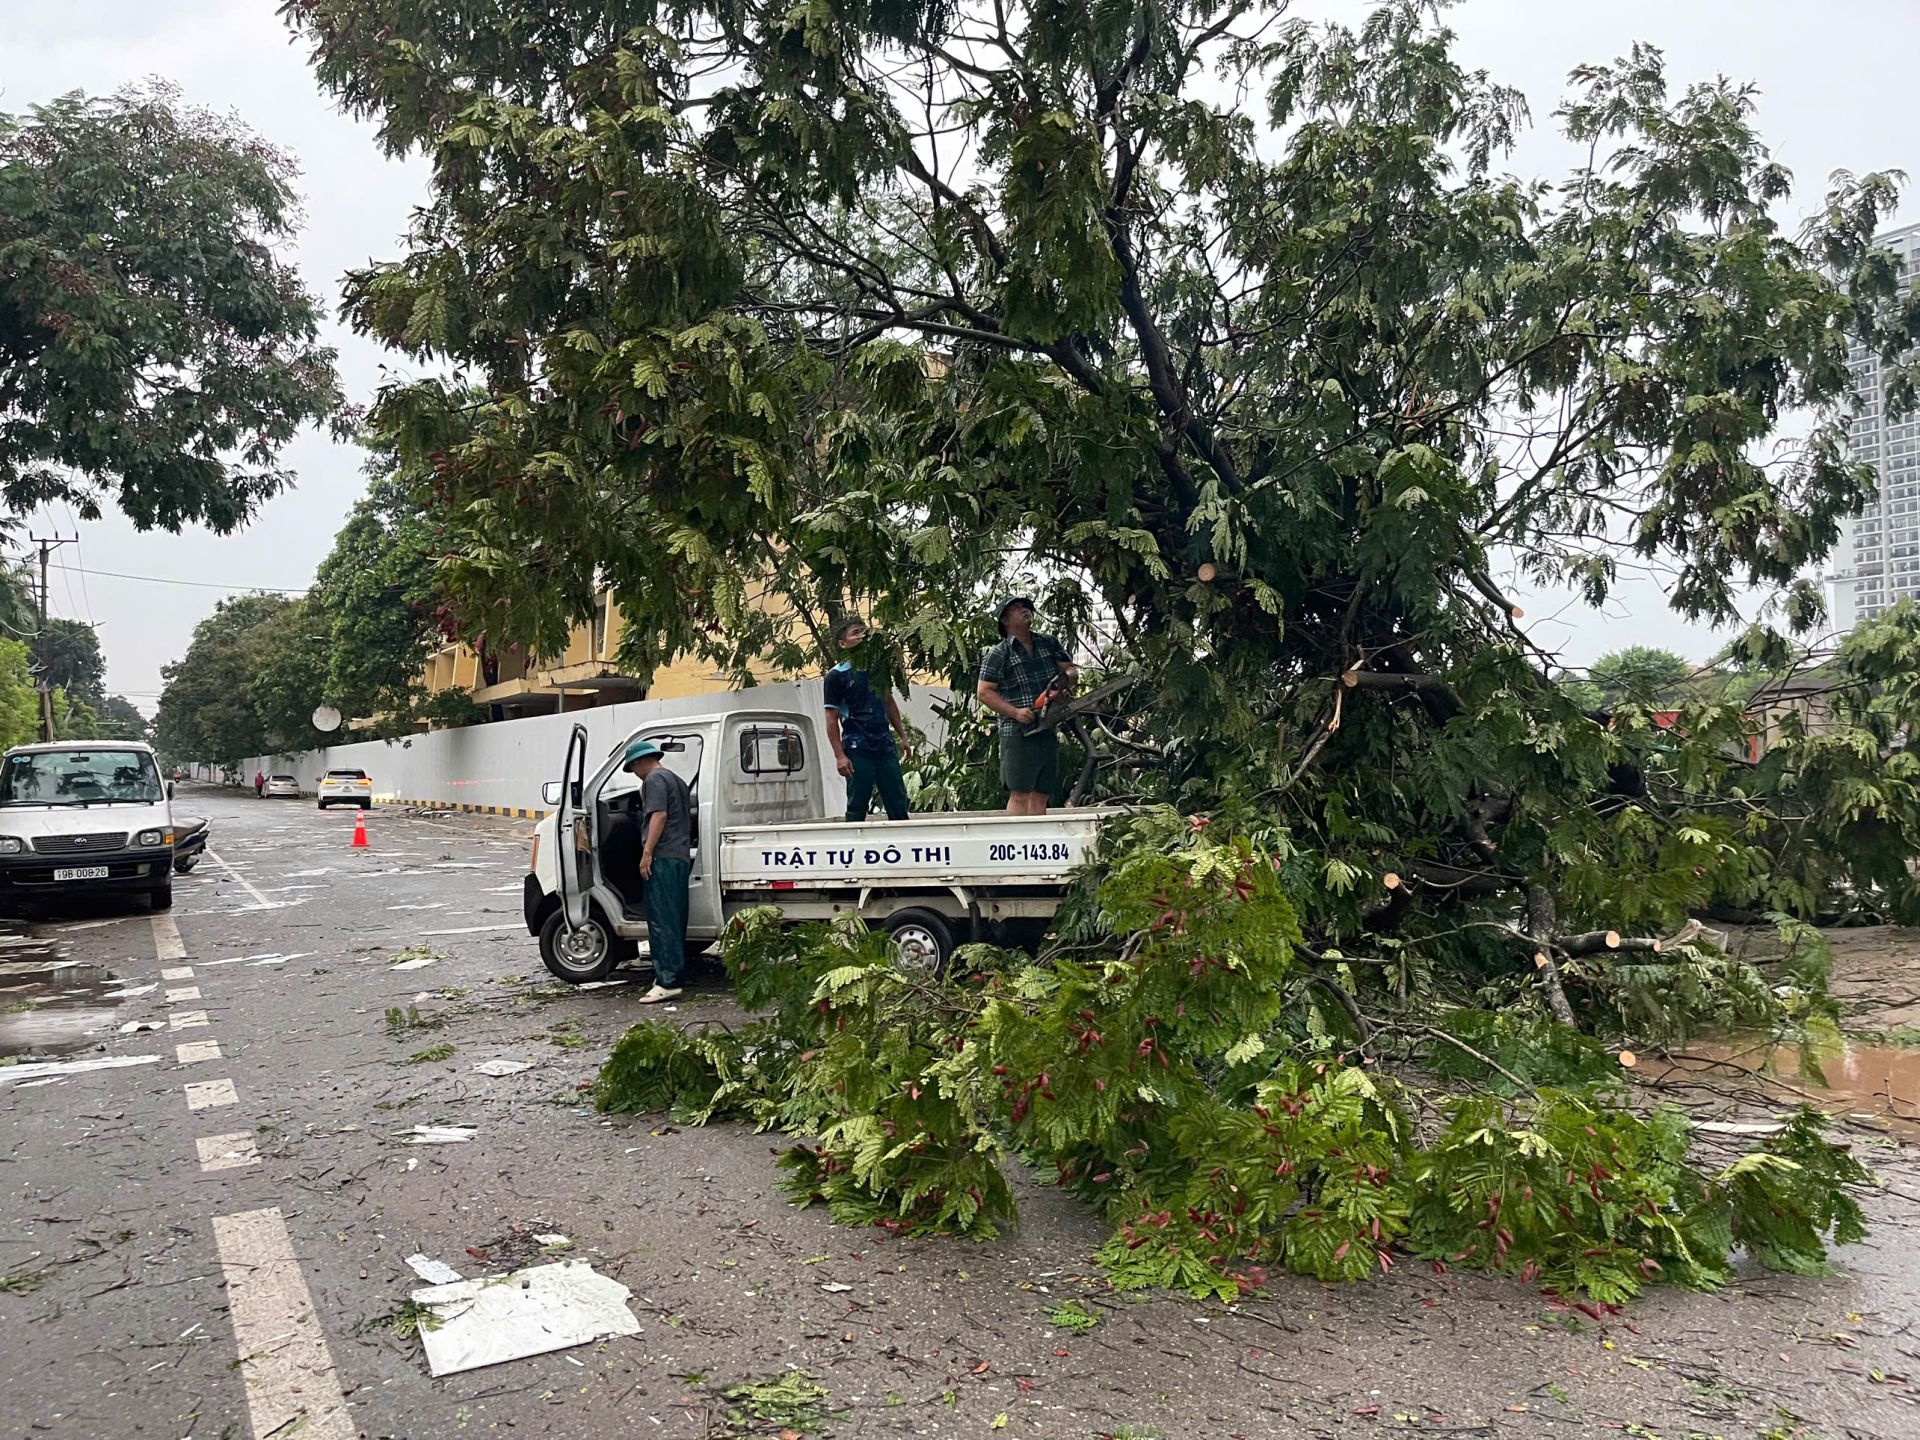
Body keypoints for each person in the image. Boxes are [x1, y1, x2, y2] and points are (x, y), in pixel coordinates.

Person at [976, 596, 1077, 816]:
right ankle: (1016, 843)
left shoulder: (1048, 643)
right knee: (1020, 792)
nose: (1024, 611)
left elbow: (1070, 670)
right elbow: (984, 692)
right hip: (1017, 732)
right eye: (1017, 608)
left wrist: (1063, 684)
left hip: (1047, 725)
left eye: (1025, 607)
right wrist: (1015, 712)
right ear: (1005, 620)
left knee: (1042, 792)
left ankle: (1037, 842)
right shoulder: (999, 653)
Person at [624, 738, 695, 1004]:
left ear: (641, 761)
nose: (636, 773)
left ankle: (667, 981)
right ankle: (670, 975)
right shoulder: (676, 779)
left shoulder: (653, 780)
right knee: (675, 918)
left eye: (633, 768)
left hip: (663, 857)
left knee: (661, 920)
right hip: (679, 856)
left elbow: (658, 816)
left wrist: (647, 853)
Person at [823, 616, 912, 822]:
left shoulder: (878, 669)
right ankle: (853, 847)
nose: (862, 636)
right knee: (857, 804)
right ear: (842, 644)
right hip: (857, 747)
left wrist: (903, 737)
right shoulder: (836, 676)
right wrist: (839, 756)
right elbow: (831, 718)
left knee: (898, 801)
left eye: (864, 631)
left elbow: (889, 702)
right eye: (855, 633)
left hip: (884, 745)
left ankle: (903, 846)